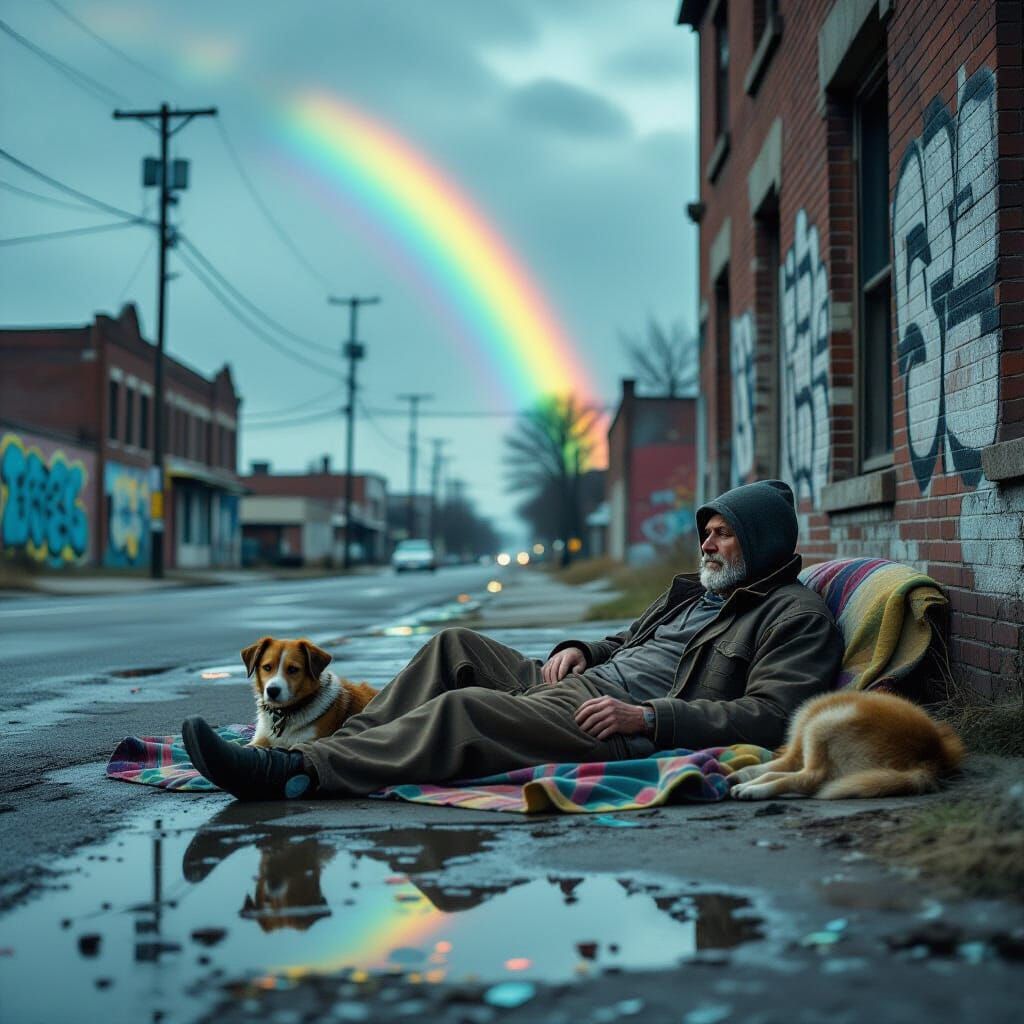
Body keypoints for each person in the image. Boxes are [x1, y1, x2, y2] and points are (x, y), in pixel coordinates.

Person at [182, 479, 843, 801]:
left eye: (722, 533)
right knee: (454, 646)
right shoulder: (700, 592)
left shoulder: (793, 615)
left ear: (760, 543)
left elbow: (775, 716)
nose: (706, 542)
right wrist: (583, 650)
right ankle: (345, 745)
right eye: (706, 530)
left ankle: (299, 772)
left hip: (611, 717)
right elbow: (628, 642)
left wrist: (650, 717)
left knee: (461, 713)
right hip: (581, 683)